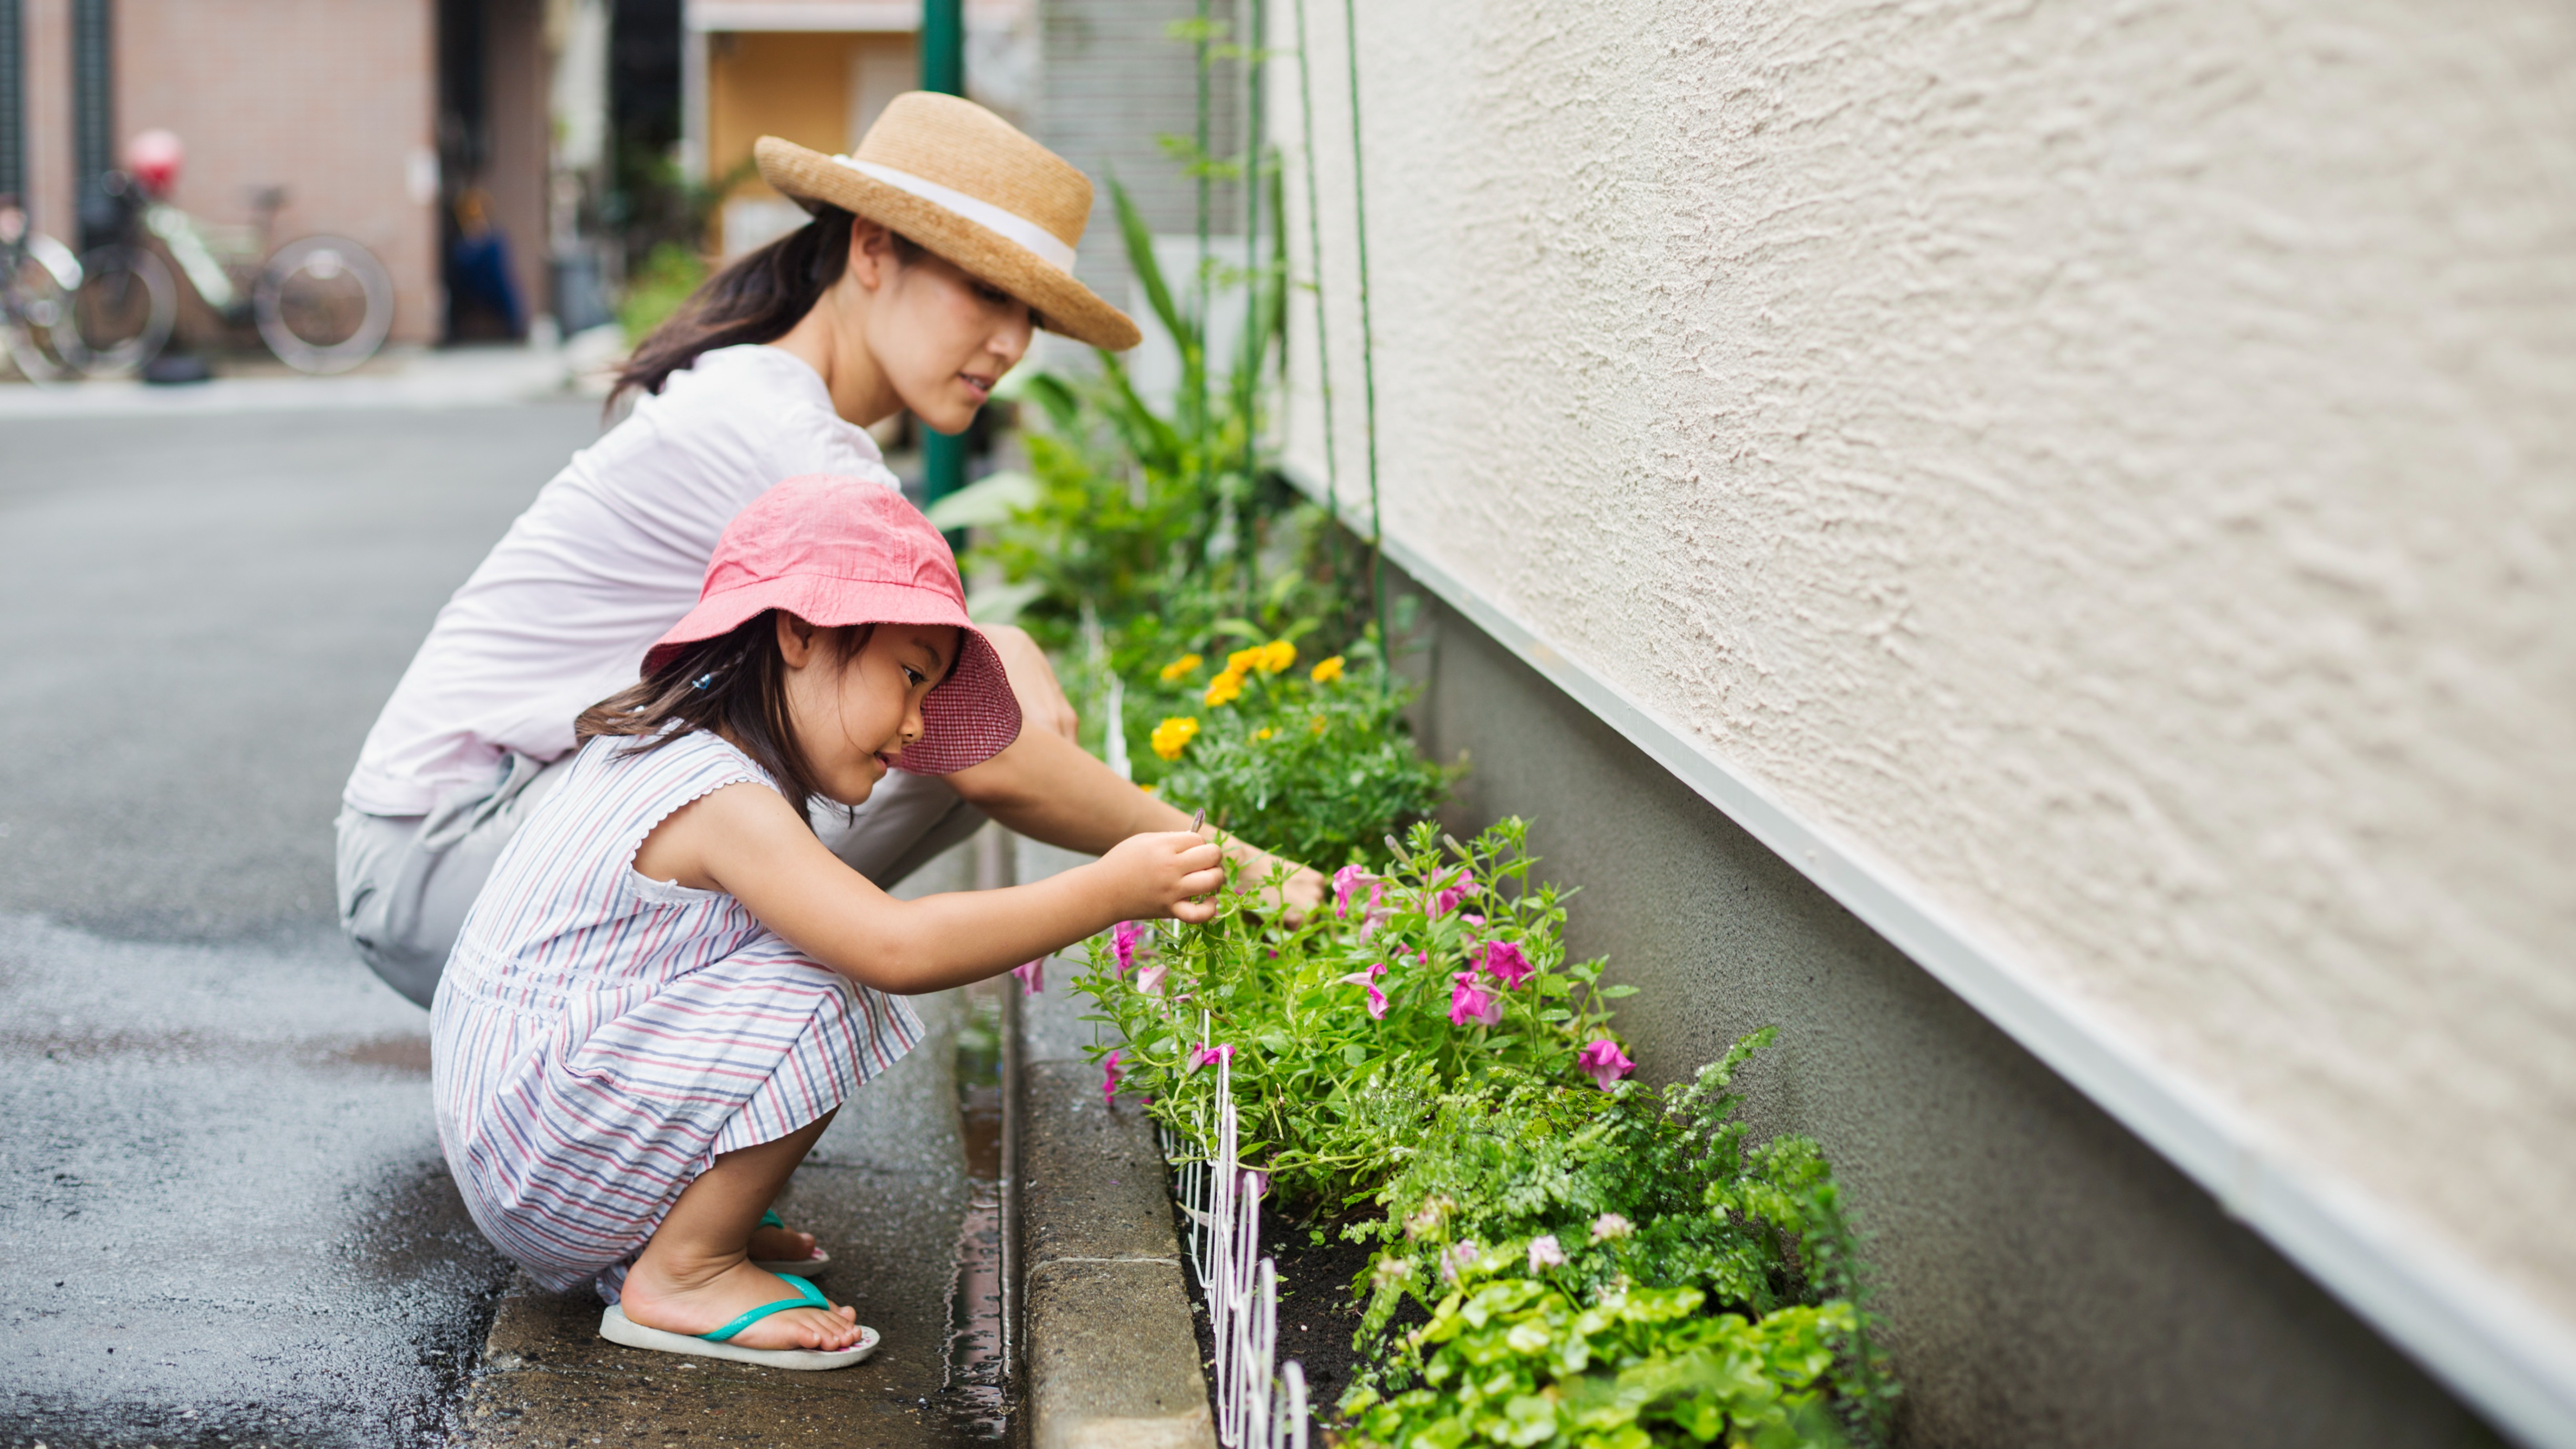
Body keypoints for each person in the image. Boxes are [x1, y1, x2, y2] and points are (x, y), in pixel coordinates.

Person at [338, 92, 1321, 1009]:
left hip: (479, 844)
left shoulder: (766, 397)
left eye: (1032, 313)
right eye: (986, 292)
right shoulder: (782, 437)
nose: (1013, 342)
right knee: (949, 726)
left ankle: (676, 1064)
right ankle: (679, 1081)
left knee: (937, 697)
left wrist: (1001, 640)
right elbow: (993, 751)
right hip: (448, 858)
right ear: (873, 250)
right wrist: (1249, 874)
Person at [436, 477, 1225, 1368]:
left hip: (522, 1133)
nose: (919, 725)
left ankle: (674, 1215)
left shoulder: (667, 749)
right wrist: (1109, 890)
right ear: (799, 632)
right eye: (912, 675)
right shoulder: (721, 795)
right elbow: (897, 947)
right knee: (836, 972)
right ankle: (685, 1269)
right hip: (543, 1161)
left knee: (807, 943)